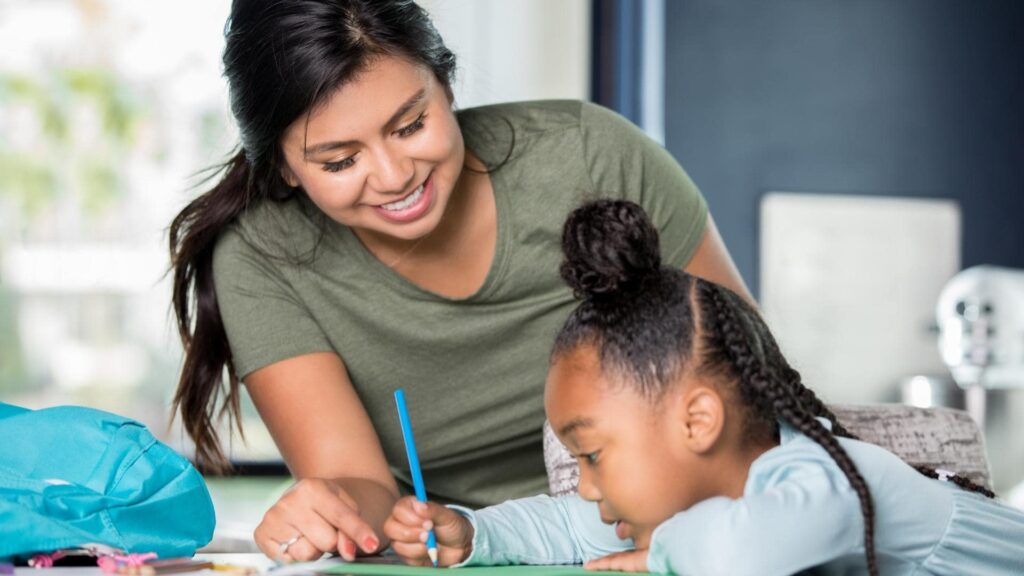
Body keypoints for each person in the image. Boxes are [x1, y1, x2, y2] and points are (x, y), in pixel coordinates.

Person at [168, 0, 750, 562]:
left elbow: (745, 381)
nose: (395, 177)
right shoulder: (262, 257)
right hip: (465, 552)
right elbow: (361, 488)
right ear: (284, 170)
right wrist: (332, 509)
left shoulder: (594, 157)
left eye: (411, 124)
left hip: (669, 526)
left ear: (446, 85)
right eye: (341, 162)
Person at [383, 201, 1024, 575]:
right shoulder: (693, 497)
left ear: (697, 422)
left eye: (593, 455)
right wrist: (473, 535)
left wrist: (655, 555)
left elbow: (747, 553)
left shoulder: (819, 477)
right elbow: (572, 528)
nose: (584, 484)